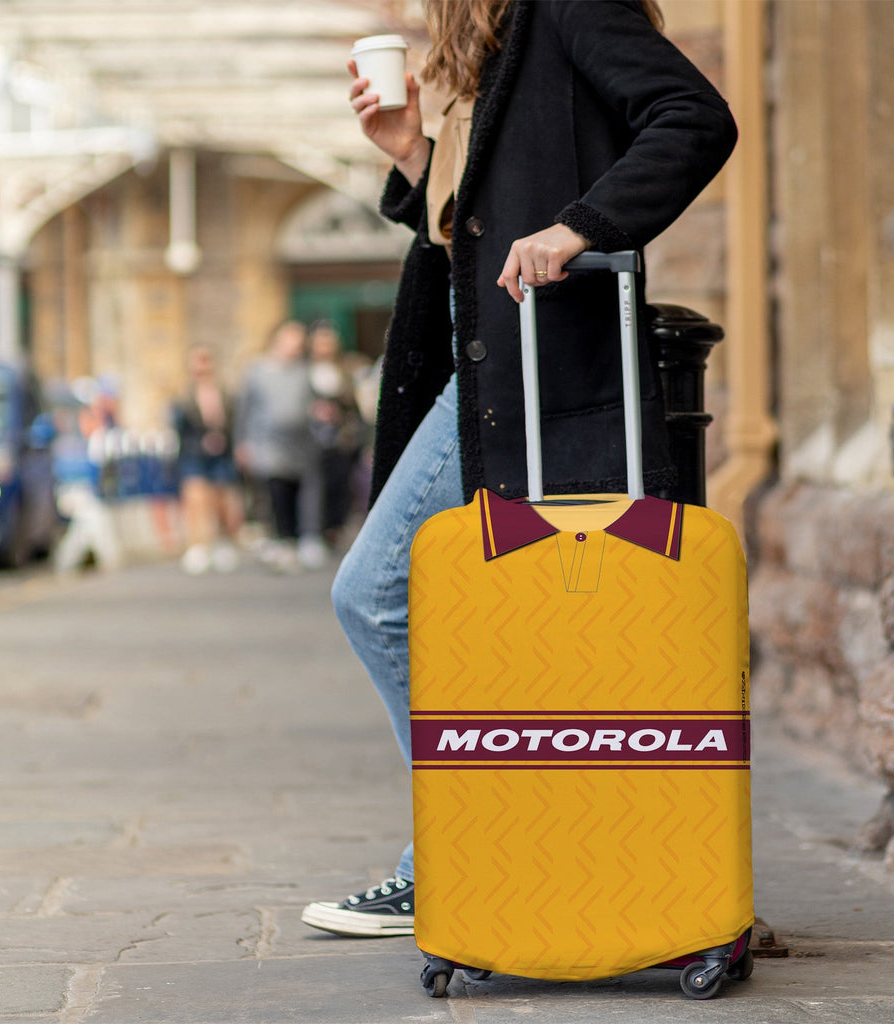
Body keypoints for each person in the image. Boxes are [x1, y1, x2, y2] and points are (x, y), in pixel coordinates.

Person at [301, 0, 737, 937]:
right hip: (491, 371)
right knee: (505, 620)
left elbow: (694, 118)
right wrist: (411, 155)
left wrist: (581, 227)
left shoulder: (567, 6)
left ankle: (462, 851)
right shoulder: (486, 45)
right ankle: (491, 853)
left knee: (377, 593)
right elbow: (472, 236)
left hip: (541, 375)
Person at [235, 320, 328, 573]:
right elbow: (244, 410)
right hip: (269, 444)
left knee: (302, 492)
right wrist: (242, 442)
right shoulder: (257, 371)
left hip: (301, 445)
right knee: (277, 492)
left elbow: (312, 401)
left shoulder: (303, 371)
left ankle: (303, 538)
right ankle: (282, 540)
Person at [171, 346, 244, 575]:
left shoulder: (225, 394)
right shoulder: (183, 397)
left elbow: (233, 424)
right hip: (194, 455)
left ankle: (223, 542)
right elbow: (179, 432)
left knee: (224, 500)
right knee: (196, 499)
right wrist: (199, 444)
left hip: (222, 454)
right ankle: (198, 546)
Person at [307, 321, 370, 548]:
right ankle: (315, 530)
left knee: (340, 485)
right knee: (314, 487)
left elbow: (357, 405)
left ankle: (335, 528)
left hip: (340, 439)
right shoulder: (305, 369)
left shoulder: (346, 369)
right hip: (310, 440)